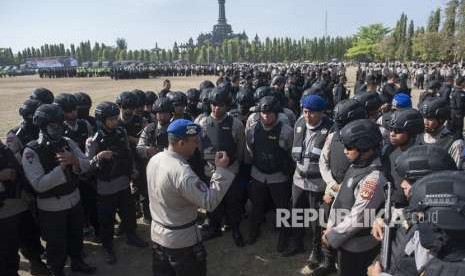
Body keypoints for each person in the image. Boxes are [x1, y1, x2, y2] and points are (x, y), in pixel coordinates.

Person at [147, 119, 235, 276]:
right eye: (194, 142)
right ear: (181, 143)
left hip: (158, 236)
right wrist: (221, 171)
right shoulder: (182, 172)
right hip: (182, 242)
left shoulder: (155, 159)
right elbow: (209, 202)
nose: (197, 145)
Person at [22, 104, 96, 276]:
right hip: (51, 207)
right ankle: (57, 270)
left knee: (76, 236)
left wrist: (75, 161)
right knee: (56, 243)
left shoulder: (68, 142)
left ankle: (77, 262)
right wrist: (61, 168)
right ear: (42, 126)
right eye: (53, 125)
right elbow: (39, 184)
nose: (58, 128)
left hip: (74, 199)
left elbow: (86, 164)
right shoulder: (31, 151)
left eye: (59, 124)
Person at [368, 145, 457, 276]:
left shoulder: (439, 232)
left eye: (409, 180)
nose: (402, 184)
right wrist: (379, 220)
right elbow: (403, 217)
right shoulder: (417, 211)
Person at [86, 102, 148, 265]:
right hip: (106, 187)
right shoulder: (93, 140)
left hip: (123, 182)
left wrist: (133, 169)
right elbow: (87, 166)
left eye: (115, 118)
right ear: (101, 120)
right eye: (111, 119)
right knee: (106, 220)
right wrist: (98, 156)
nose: (115, 122)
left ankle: (131, 235)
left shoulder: (121, 132)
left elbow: (128, 153)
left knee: (128, 212)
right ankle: (107, 246)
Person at [323, 119, 385, 276]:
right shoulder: (356, 165)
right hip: (343, 238)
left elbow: (358, 217)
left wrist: (333, 235)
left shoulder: (373, 178)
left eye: (349, 147)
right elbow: (342, 198)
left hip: (357, 246)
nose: (345, 151)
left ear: (366, 149)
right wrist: (331, 225)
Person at [284, 95, 332, 267]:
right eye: (305, 112)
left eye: (312, 113)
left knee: (315, 218)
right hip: (298, 179)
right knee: (296, 211)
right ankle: (297, 242)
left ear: (321, 113)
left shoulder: (330, 129)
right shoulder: (299, 123)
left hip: (317, 183)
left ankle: (316, 250)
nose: (307, 116)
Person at [197, 86, 246, 246]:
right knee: (213, 202)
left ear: (227, 105)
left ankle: (235, 228)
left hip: (230, 169)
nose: (217, 108)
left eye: (221, 105)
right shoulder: (201, 123)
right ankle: (214, 227)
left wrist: (233, 164)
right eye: (214, 104)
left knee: (233, 201)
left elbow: (240, 149)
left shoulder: (236, 124)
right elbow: (198, 146)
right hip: (210, 170)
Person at [244, 96, 294, 250]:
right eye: (263, 113)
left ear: (277, 113)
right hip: (258, 174)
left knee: (283, 208)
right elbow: (250, 150)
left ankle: (284, 236)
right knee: (256, 205)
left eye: (270, 113)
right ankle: (254, 230)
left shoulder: (286, 131)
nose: (266, 116)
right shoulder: (252, 130)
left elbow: (291, 154)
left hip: (279, 176)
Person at [417, 98, 464, 166]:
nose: (425, 122)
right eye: (424, 117)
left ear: (441, 119)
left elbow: (455, 173)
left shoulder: (455, 144)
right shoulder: (417, 137)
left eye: (430, 118)